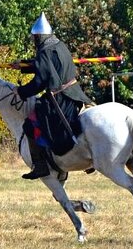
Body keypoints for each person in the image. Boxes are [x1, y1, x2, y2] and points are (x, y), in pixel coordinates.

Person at [14, 13, 94, 180]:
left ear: (39, 36)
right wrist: (23, 65)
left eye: (35, 37)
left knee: (30, 124)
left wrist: (22, 92)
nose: (34, 40)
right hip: (76, 93)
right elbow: (46, 65)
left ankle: (41, 165)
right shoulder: (58, 45)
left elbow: (41, 80)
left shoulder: (44, 51)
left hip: (60, 98)